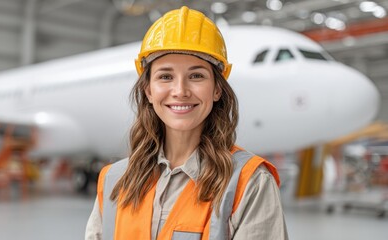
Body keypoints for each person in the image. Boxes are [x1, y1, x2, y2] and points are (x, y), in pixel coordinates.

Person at [86, 6, 288, 240]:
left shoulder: (249, 182)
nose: (180, 91)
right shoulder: (114, 180)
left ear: (217, 90)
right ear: (148, 91)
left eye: (196, 76)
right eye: (165, 76)